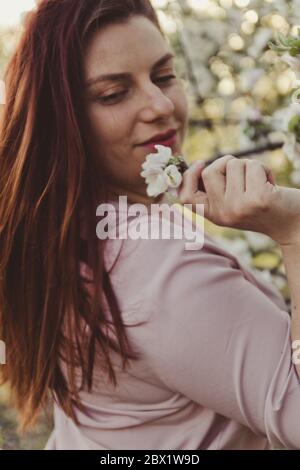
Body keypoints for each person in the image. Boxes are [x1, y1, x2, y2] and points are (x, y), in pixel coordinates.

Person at [0, 0, 300, 451]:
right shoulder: (156, 269)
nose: (161, 106)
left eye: (163, 76)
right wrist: (294, 229)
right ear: (63, 123)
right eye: (113, 94)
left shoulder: (57, 235)